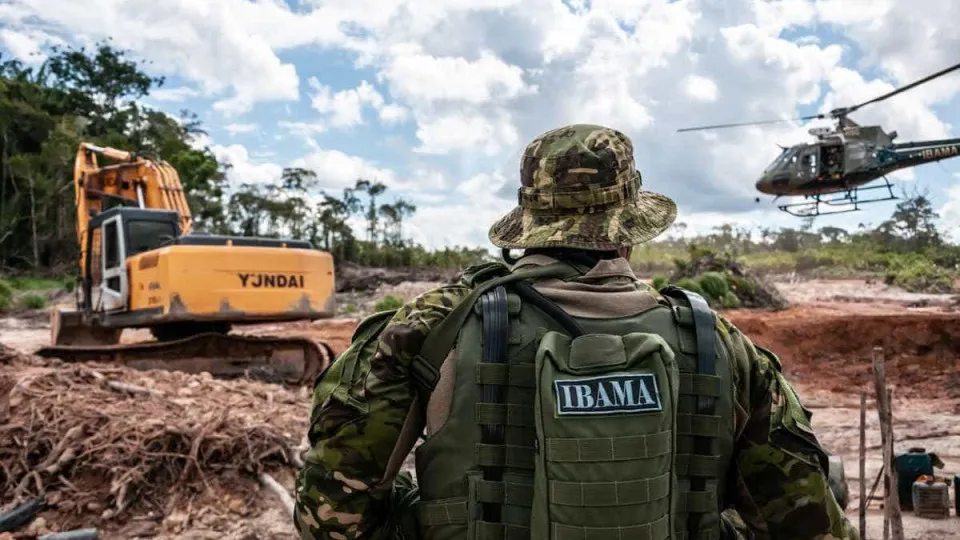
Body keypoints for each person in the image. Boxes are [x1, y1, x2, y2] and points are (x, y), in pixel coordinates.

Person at [294, 124, 860, 540]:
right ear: (629, 227)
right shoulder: (720, 342)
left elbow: (330, 518)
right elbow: (807, 522)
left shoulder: (429, 328)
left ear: (528, 223)